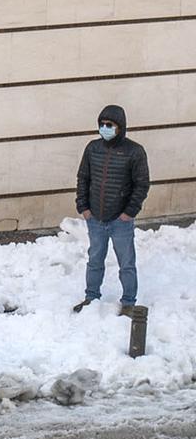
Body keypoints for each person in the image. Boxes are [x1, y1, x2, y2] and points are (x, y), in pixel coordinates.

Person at [74, 104, 149, 316]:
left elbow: (141, 184)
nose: (105, 128)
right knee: (95, 259)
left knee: (126, 263)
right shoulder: (92, 148)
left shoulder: (135, 152)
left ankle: (128, 303)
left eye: (110, 125)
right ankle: (91, 297)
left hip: (120, 221)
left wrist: (129, 213)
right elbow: (83, 178)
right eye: (102, 124)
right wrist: (84, 207)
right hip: (95, 218)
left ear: (120, 127)